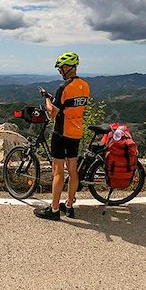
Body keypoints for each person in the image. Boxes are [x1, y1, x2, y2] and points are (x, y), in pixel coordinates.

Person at [34, 51, 90, 221]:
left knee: (58, 171)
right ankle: (70, 206)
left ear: (67, 67)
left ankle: (54, 209)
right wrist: (56, 100)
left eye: (60, 68)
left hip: (61, 133)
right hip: (76, 132)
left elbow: (52, 112)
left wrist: (47, 99)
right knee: (72, 170)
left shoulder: (63, 87)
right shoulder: (85, 86)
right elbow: (71, 105)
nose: (59, 71)